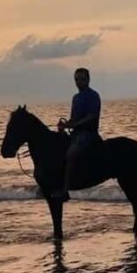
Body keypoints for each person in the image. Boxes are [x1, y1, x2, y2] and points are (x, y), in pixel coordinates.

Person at [52, 68, 101, 200]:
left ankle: (65, 189)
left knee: (71, 153)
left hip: (88, 133)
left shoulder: (93, 96)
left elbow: (91, 116)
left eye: (82, 79)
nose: (79, 82)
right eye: (77, 79)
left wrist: (74, 124)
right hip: (76, 133)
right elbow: (73, 118)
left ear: (88, 80)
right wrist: (65, 124)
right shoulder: (76, 98)